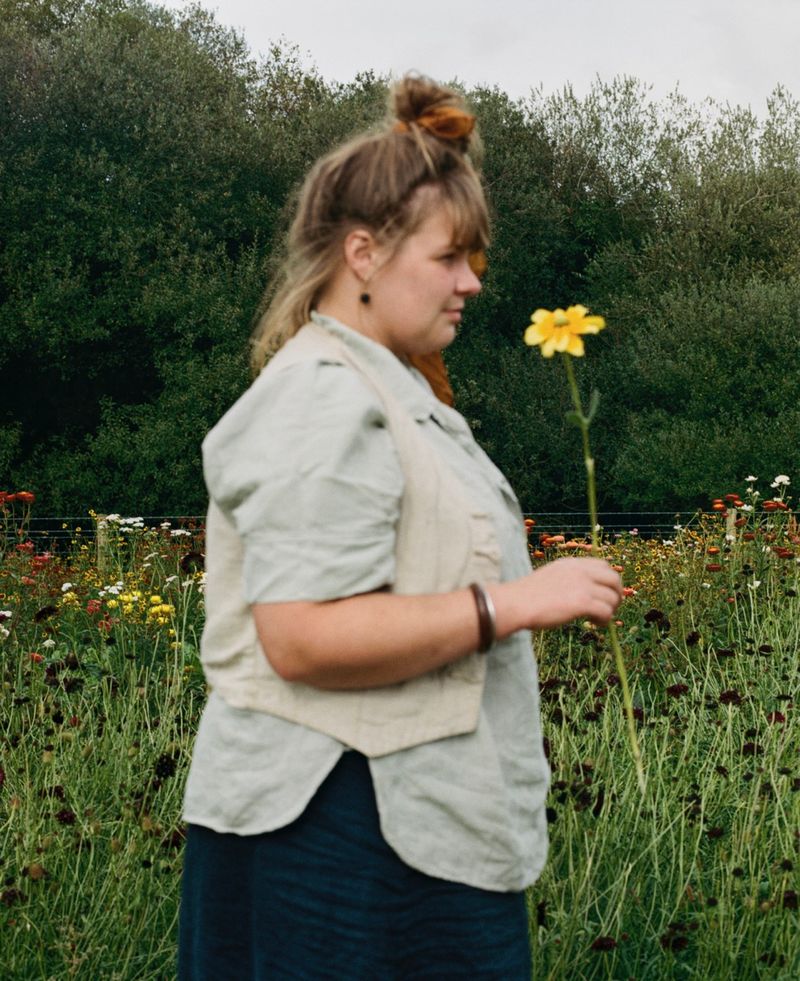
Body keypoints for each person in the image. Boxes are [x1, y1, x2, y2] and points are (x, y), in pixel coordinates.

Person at [178, 75, 622, 980]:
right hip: (335, 842)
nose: (472, 282)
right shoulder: (321, 395)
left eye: (476, 258)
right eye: (452, 257)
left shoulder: (393, 390)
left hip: (405, 832)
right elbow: (301, 635)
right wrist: (516, 602)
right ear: (364, 253)